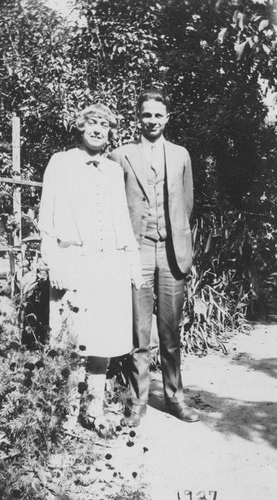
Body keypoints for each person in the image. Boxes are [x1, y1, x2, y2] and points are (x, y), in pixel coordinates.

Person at [38, 103, 143, 434]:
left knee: (103, 341)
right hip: (73, 261)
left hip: (108, 263)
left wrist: (132, 261)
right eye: (92, 124)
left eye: (104, 125)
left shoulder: (113, 169)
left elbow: (121, 221)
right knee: (70, 339)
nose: (98, 130)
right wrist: (52, 260)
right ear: (80, 128)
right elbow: (47, 218)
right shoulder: (62, 162)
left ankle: (94, 410)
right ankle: (66, 412)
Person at [110, 88, 199, 426]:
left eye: (158, 115)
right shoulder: (121, 156)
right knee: (139, 334)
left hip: (172, 251)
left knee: (171, 333)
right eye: (146, 114)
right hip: (138, 252)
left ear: (167, 118)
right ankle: (138, 403)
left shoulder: (180, 155)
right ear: (138, 117)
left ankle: (175, 398)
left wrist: (175, 237)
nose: (152, 121)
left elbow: (186, 205)